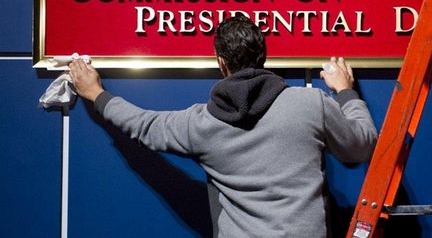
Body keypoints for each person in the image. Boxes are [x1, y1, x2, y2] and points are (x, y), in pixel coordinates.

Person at [68, 15, 378, 237]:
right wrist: (345, 91)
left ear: (221, 62)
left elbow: (143, 125)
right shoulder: (310, 104)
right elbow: (362, 145)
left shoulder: (200, 124)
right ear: (264, 57)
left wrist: (96, 94)